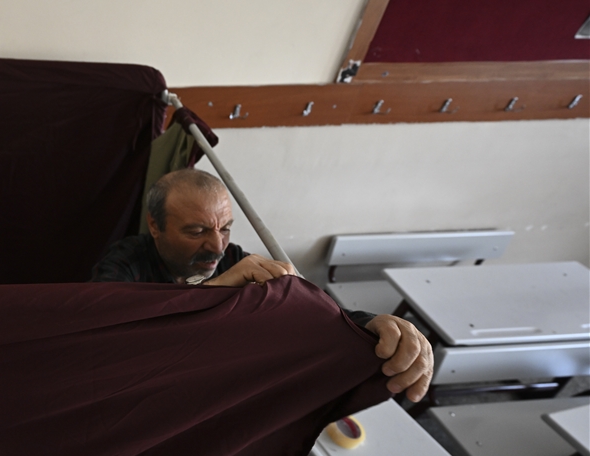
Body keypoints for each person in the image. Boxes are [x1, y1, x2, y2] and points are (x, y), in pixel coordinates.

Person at [92, 169, 434, 402]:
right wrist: (213, 291)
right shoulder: (125, 262)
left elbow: (307, 312)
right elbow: (105, 342)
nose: (217, 246)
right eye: (196, 232)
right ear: (155, 226)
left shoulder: (236, 261)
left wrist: (369, 325)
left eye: (225, 228)